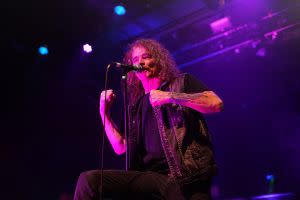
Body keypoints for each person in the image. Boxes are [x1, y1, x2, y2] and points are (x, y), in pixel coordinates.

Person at [74, 38, 223, 200]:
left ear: (158, 60)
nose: (141, 62)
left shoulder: (182, 82)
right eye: (136, 60)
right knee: (90, 181)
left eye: (146, 57)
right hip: (149, 180)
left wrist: (170, 96)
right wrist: (104, 112)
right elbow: (120, 146)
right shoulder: (135, 107)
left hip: (184, 178)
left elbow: (215, 103)